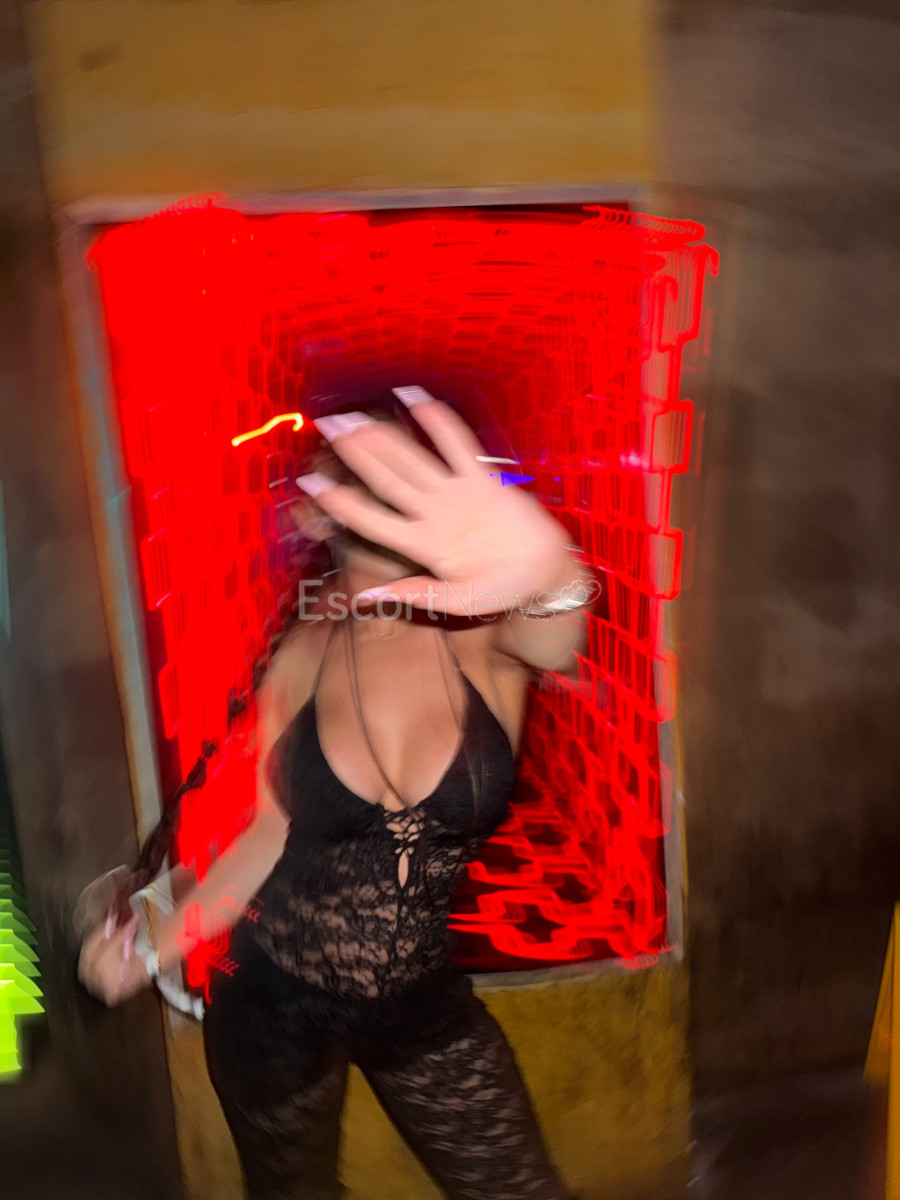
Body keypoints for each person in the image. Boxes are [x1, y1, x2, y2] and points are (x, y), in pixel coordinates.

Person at [78, 386, 590, 1200]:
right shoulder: (302, 656)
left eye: (394, 456)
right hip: (270, 997)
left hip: (418, 999)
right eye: (348, 460)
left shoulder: (484, 624)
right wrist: (149, 946)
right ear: (313, 512)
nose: (376, 473)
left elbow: (556, 638)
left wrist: (552, 569)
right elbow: (263, 840)